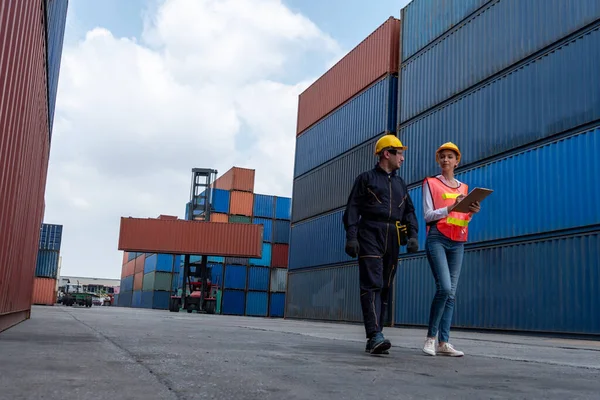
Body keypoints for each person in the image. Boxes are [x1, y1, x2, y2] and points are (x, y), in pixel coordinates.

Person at [343, 134, 419, 355]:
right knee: (372, 284)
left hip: (393, 236)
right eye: (400, 153)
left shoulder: (400, 184)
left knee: (385, 286)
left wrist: (412, 235)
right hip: (370, 234)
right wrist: (352, 237)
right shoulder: (365, 179)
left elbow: (410, 211)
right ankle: (375, 334)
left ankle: (376, 335)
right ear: (387, 153)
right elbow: (353, 209)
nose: (403, 158)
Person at [421, 142, 480, 357]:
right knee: (444, 288)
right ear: (439, 160)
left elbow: (462, 218)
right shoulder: (430, 183)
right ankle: (430, 338)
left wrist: (471, 211)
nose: (446, 160)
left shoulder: (464, 188)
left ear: (457, 161)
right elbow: (428, 215)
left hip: (458, 242)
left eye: (450, 157)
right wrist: (450, 207)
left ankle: (444, 342)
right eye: (443, 157)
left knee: (452, 294)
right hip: (437, 238)